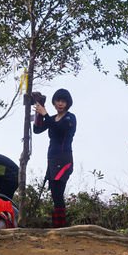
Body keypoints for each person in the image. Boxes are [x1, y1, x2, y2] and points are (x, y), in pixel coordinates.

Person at [33, 88, 76, 227]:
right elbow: (37, 130)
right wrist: (39, 111)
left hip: (64, 159)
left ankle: (60, 226)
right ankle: (57, 225)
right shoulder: (52, 119)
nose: (60, 104)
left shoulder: (70, 117)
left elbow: (60, 128)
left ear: (68, 103)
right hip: (52, 160)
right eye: (58, 100)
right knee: (54, 192)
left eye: (63, 101)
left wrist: (44, 113)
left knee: (58, 192)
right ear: (54, 102)